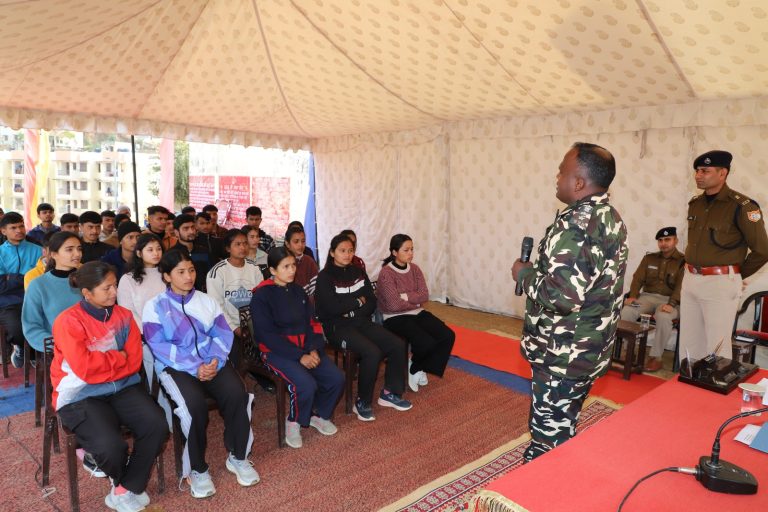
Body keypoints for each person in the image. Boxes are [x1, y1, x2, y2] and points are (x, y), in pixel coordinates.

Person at [511, 142, 628, 462]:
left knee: (547, 441)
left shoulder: (578, 225)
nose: (557, 176)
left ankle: (541, 484)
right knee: (563, 426)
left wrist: (523, 274)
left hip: (563, 353)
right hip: (586, 348)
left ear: (578, 182)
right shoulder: (609, 217)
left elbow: (561, 296)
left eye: (562, 171)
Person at [51, 261, 168, 512]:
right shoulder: (68, 321)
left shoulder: (123, 316)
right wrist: (118, 357)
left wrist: (106, 363)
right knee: (110, 446)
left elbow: (133, 361)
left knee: (157, 425)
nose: (114, 292)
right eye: (106, 288)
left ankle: (125, 487)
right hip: (80, 393)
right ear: (86, 293)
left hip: (122, 386)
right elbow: (84, 368)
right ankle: (121, 479)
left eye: (114, 285)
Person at [143, 251, 260, 498]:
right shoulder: (154, 306)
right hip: (176, 367)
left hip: (212, 362)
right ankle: (197, 469)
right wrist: (194, 366)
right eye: (181, 272)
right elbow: (159, 345)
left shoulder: (206, 301)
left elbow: (223, 334)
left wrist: (214, 361)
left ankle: (238, 456)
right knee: (193, 406)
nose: (188, 276)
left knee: (237, 394)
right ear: (167, 276)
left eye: (191, 270)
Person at [250, 247, 344, 448]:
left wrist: (313, 348)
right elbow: (266, 335)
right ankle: (293, 422)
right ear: (272, 270)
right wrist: (299, 356)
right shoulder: (261, 295)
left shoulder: (298, 291)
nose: (292, 270)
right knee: (305, 385)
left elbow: (312, 324)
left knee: (336, 378)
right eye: (285, 267)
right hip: (276, 352)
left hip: (305, 348)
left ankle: (318, 415)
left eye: (293, 265)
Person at [680, 150, 768, 362]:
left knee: (717, 345)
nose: (698, 175)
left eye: (705, 171)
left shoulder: (742, 206)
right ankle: (689, 380)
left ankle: (715, 381)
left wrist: (736, 274)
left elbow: (763, 250)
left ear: (722, 173)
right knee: (689, 342)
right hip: (690, 278)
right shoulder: (695, 204)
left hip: (719, 282)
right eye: (697, 171)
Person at [315, 234, 411, 421]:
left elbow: (372, 300)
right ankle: (362, 402)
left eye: (350, 250)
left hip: (361, 321)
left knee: (397, 344)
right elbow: (332, 308)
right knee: (372, 352)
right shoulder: (325, 277)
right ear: (332, 252)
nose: (347, 254)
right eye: (342, 251)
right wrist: (358, 302)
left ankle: (389, 393)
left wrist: (351, 310)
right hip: (337, 327)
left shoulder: (358, 271)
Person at [376, 234, 455, 392]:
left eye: (412, 249)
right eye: (406, 250)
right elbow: (393, 305)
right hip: (394, 317)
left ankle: (417, 366)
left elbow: (424, 295)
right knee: (426, 342)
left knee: (447, 335)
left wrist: (404, 296)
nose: (411, 253)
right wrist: (414, 299)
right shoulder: (386, 273)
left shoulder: (415, 269)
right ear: (394, 252)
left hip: (417, 312)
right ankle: (417, 367)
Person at [620, 227, 684, 372]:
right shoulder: (649, 258)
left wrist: (671, 304)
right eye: (660, 240)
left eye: (667, 239)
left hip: (671, 301)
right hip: (647, 298)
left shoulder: (683, 261)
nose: (663, 243)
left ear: (675, 241)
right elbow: (637, 279)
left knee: (664, 316)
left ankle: (656, 357)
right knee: (628, 311)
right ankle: (628, 350)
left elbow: (682, 286)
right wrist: (633, 296)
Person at [22, 232, 82, 353]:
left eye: (79, 249)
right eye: (69, 249)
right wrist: (59, 346)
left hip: (93, 344)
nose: (77, 254)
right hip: (58, 350)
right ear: (54, 254)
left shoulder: (89, 279)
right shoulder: (38, 285)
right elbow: (31, 327)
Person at [0, 212, 43, 368]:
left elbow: (42, 277)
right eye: (13, 228)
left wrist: (11, 277)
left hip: (35, 298)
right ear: (3, 231)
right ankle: (20, 348)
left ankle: (35, 351)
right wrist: (26, 277)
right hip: (8, 302)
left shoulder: (38, 250)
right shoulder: (0, 253)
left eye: (21, 226)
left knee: (45, 323)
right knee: (17, 329)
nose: (19, 230)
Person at [206, 229, 263, 335]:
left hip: (253, 325)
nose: (243, 247)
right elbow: (217, 305)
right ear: (228, 248)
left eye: (245, 243)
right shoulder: (217, 272)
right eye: (238, 244)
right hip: (226, 328)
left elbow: (261, 299)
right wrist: (234, 328)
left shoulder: (254, 268)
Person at [165, 214, 216, 292]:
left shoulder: (204, 251)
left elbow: (213, 275)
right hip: (180, 296)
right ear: (176, 232)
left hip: (203, 295)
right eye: (186, 228)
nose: (191, 231)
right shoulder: (171, 254)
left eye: (193, 227)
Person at [284, 225, 318, 294]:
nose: (300, 245)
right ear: (287, 244)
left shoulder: (309, 262)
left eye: (303, 241)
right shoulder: (282, 262)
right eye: (296, 241)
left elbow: (315, 289)